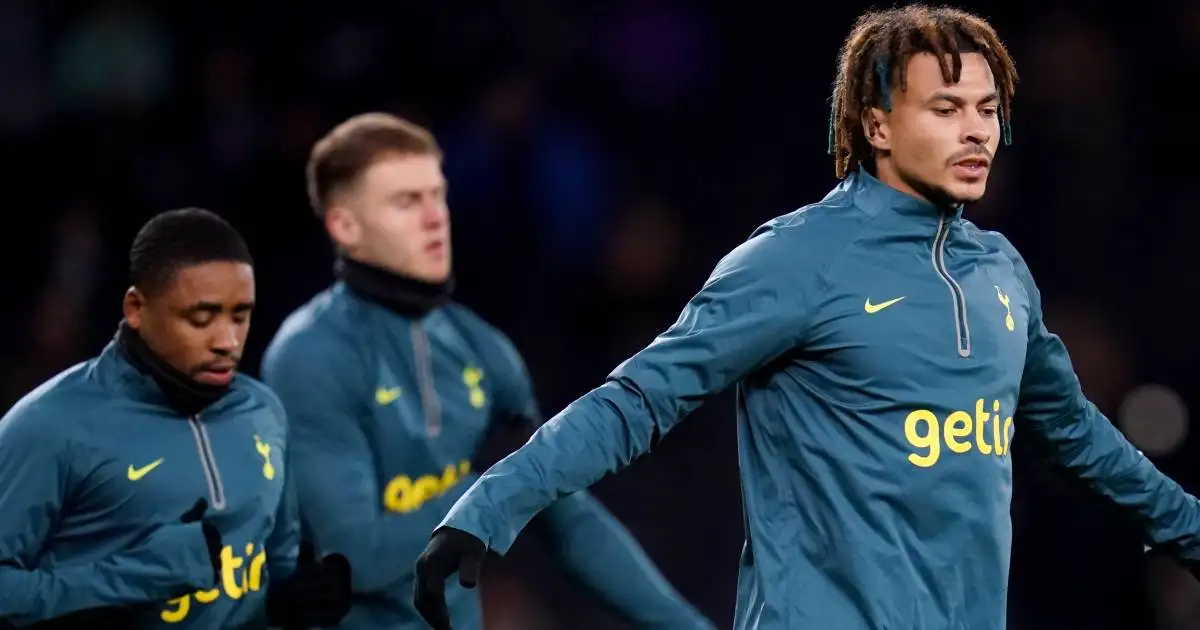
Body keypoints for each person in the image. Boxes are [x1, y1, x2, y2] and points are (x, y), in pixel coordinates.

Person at [412, 5, 1200, 630]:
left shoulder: (1001, 271)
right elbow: (639, 400)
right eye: (946, 107)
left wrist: (1189, 527)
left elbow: (1075, 433)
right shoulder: (796, 260)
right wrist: (489, 505)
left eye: (988, 110)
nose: (975, 132)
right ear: (877, 125)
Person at [260, 112, 714, 630]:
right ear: (346, 226)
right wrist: (492, 486)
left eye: (437, 195)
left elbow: (570, 520)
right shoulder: (309, 356)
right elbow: (358, 560)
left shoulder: (480, 347)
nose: (435, 218)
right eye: (407, 201)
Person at [0, 208, 351, 629]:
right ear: (136, 308)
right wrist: (130, 578)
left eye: (240, 315)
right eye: (200, 318)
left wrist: (290, 602)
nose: (228, 342)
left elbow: (277, 563)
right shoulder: (47, 426)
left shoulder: (264, 411)